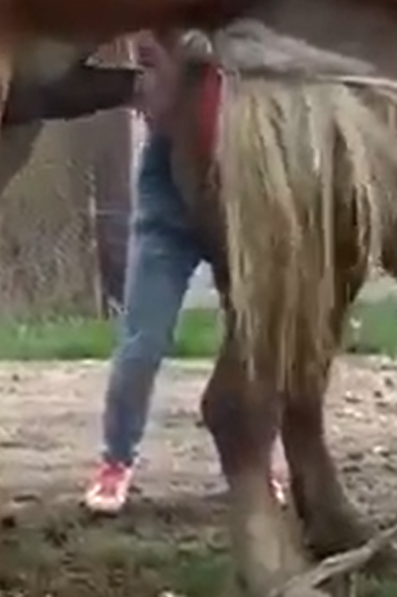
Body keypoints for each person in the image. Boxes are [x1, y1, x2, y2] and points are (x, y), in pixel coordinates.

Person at [84, 31, 285, 514]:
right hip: (171, 198)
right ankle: (115, 461)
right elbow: (151, 92)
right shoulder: (161, 26)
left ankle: (256, 463)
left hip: (246, 188)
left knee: (257, 342)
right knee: (142, 343)